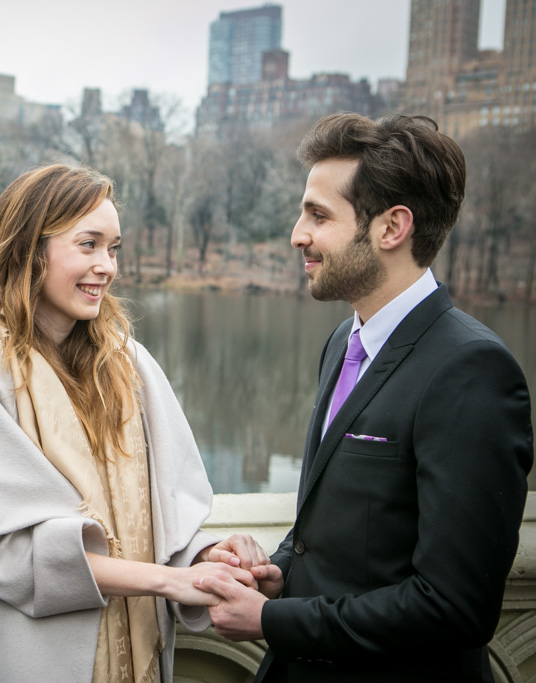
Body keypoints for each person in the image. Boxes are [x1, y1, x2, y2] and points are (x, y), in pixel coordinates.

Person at [0, 164, 272, 683]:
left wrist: (210, 554)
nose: (107, 266)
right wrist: (166, 581)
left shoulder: (131, 364)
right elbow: (11, 557)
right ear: (29, 249)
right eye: (88, 244)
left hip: (140, 653)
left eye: (113, 248)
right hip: (28, 660)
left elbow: (164, 518)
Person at [198, 113, 534, 682]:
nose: (297, 234)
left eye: (318, 215)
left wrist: (274, 620)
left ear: (391, 227)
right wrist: (279, 572)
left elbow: (455, 609)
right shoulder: (342, 341)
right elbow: (339, 528)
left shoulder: (471, 371)